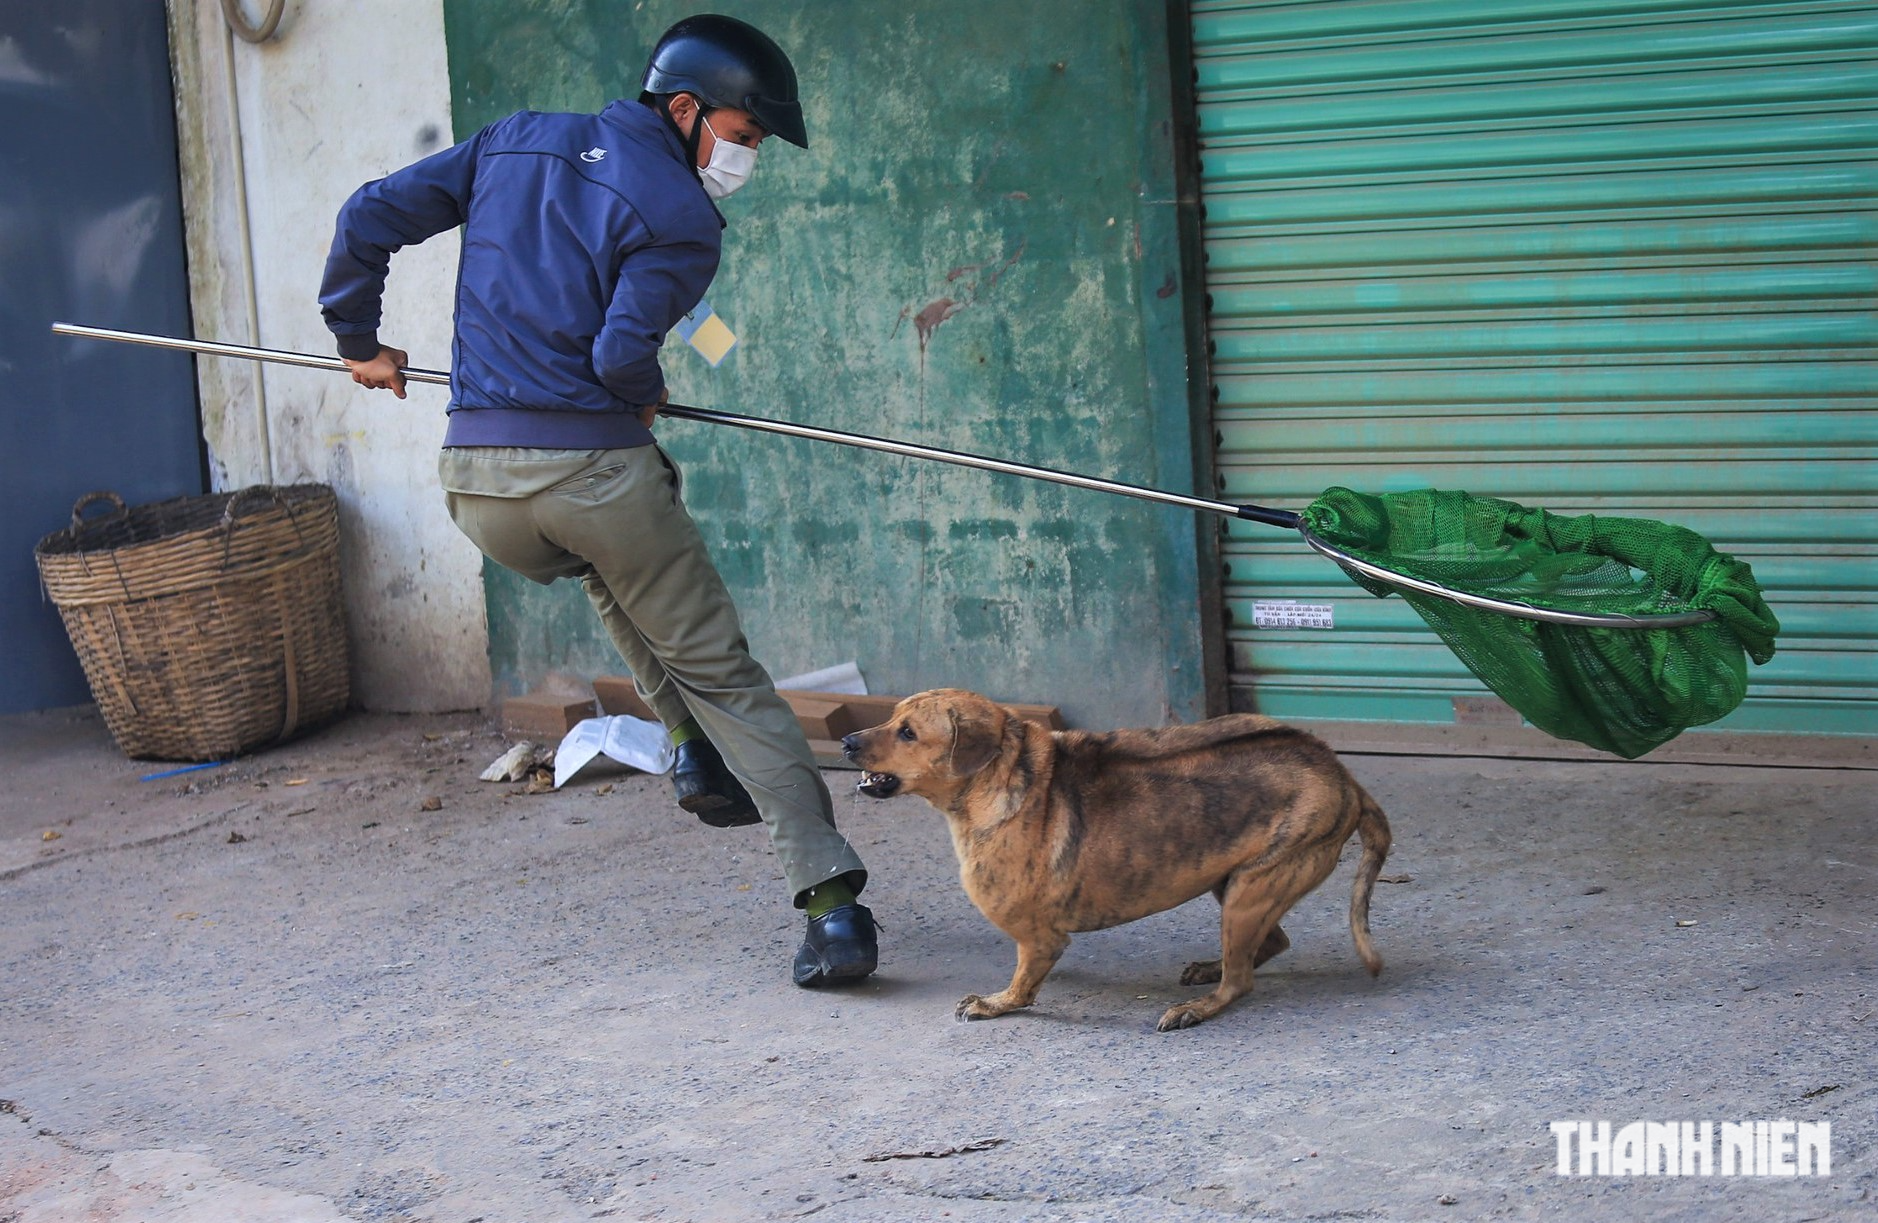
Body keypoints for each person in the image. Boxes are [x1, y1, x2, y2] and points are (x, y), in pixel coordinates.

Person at [318, 14, 876, 988]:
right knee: (728, 672)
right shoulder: (683, 217)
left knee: (609, 578)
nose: (746, 159)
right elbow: (620, 356)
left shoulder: (510, 137)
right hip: (594, 478)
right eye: (743, 137)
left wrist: (356, 338)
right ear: (689, 108)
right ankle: (833, 911)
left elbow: (370, 213)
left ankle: (692, 750)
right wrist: (645, 392)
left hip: (479, 489)